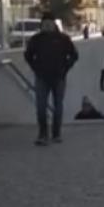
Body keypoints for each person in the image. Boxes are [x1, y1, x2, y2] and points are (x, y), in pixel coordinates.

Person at [24, 12, 79, 145]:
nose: (47, 26)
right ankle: (43, 133)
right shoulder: (36, 39)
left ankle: (56, 133)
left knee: (58, 105)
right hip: (42, 77)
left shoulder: (63, 39)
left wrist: (65, 68)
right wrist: (36, 68)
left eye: (49, 23)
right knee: (41, 106)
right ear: (42, 25)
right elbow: (28, 55)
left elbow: (74, 55)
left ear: (54, 24)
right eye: (45, 23)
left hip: (59, 77)